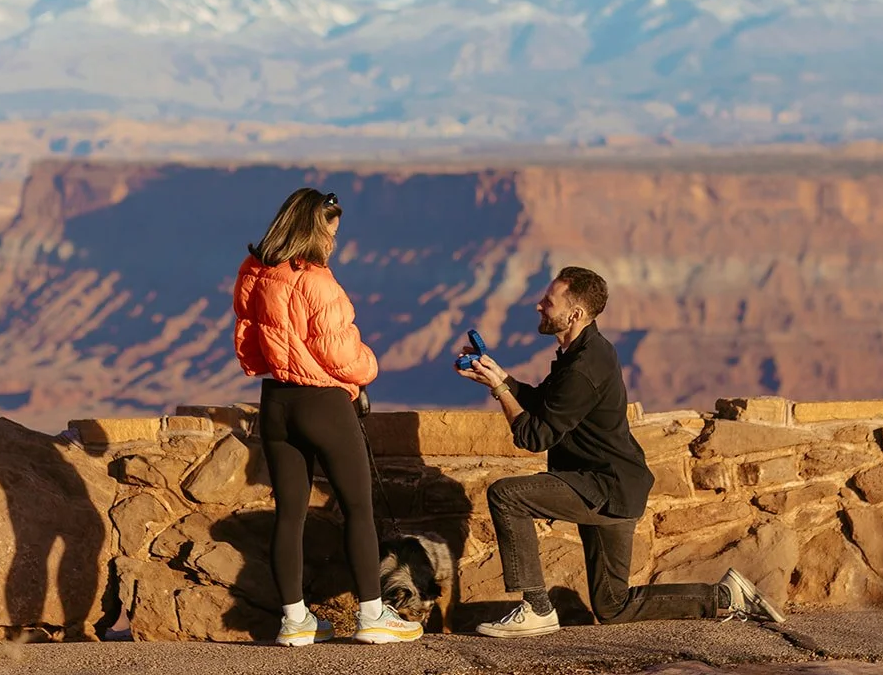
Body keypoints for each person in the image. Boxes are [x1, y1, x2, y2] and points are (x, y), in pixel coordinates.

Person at [455, 266, 785, 637]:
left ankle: (537, 608)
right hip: (614, 484)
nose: (539, 306)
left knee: (507, 495)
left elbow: (535, 436)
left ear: (575, 314)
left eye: (548, 301)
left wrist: (500, 391)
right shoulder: (583, 352)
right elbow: (547, 405)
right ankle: (724, 596)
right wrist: (500, 376)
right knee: (613, 606)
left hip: (604, 487)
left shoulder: (584, 366)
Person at [233, 187, 423, 647]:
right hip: (322, 403)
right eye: (330, 232)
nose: (333, 241)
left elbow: (248, 343)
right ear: (314, 229)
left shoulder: (253, 272)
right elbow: (339, 354)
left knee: (289, 516)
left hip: (276, 402)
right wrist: (368, 368)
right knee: (358, 509)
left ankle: (295, 621)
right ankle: (373, 616)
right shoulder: (317, 281)